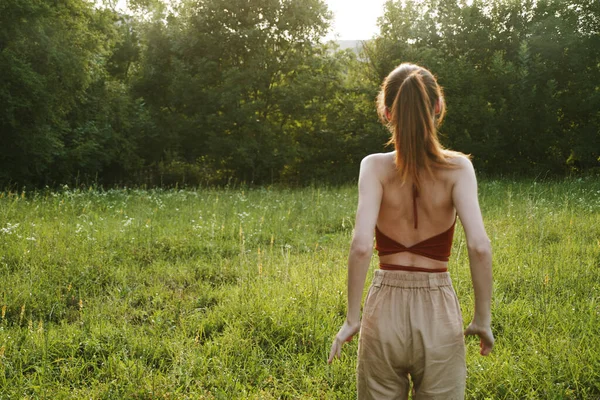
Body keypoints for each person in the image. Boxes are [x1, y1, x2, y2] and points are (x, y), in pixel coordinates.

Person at [327, 63, 494, 399]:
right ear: (438, 107)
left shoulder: (373, 166)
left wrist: (351, 318)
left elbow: (361, 246)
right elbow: (479, 246)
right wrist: (482, 317)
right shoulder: (459, 168)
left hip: (382, 312)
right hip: (438, 314)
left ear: (387, 112)